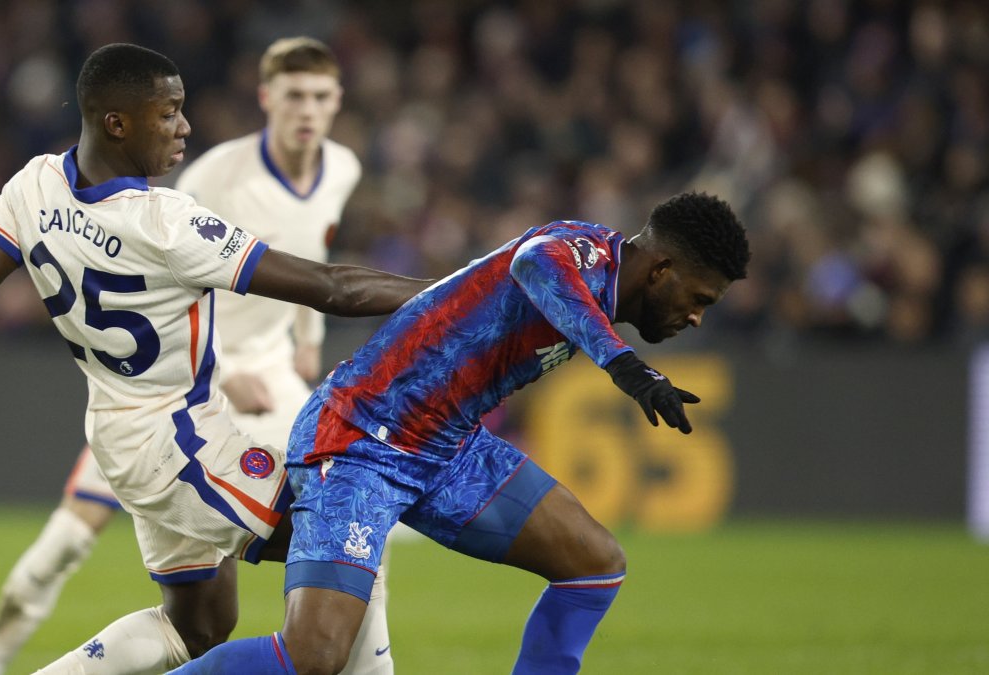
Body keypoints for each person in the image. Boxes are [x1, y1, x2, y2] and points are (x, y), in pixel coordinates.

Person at [0, 42, 429, 675]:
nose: (184, 126)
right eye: (169, 113)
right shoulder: (168, 224)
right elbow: (332, 287)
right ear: (117, 123)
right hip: (178, 441)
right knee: (348, 534)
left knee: (200, 628)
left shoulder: (33, 185)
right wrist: (465, 287)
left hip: (119, 429)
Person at [170, 191, 752, 675]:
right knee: (316, 656)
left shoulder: (601, 265)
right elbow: (533, 263)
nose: (697, 316)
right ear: (662, 270)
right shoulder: (574, 252)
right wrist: (625, 366)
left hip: (449, 450)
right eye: (699, 298)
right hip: (360, 442)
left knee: (596, 564)